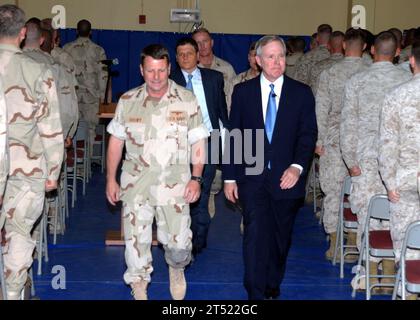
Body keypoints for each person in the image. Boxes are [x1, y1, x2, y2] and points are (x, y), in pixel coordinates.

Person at [105, 44, 209, 300]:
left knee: (178, 242)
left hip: (174, 187)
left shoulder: (186, 100)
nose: (156, 76)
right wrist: (110, 178)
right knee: (135, 240)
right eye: (150, 70)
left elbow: (198, 141)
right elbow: (116, 142)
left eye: (161, 70)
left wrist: (196, 178)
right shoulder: (128, 101)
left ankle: (176, 269)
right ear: (142, 70)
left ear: (169, 69)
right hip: (135, 185)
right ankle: (138, 283)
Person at [223, 35, 317, 300]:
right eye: (271, 56)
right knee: (254, 236)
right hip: (252, 177)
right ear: (258, 60)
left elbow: (308, 135)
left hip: (287, 179)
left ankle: (272, 283)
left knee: (280, 238)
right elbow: (235, 137)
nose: (277, 62)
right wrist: (230, 177)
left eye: (281, 56)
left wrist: (297, 167)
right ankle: (254, 292)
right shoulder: (244, 92)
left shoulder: (302, 93)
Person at [0, 4, 64, 300]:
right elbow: (51, 129)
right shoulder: (38, 70)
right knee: (19, 236)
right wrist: (53, 173)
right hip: (24, 171)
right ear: (23, 33)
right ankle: (13, 294)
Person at [341, 31, 412, 293]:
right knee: (396, 219)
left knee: (368, 218)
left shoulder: (357, 81)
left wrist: (350, 160)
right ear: (397, 53)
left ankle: (370, 276)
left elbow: (347, 126)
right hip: (399, 165)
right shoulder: (407, 80)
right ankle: (391, 274)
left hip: (366, 161)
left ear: (372, 50)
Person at [170, 37, 228, 257]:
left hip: (208, 142)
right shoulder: (168, 80)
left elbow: (222, 112)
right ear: (176, 58)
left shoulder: (214, 78)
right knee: (177, 194)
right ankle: (178, 237)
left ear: (198, 55)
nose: (185, 57)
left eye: (189, 53)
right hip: (176, 145)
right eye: (181, 54)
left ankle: (197, 241)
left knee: (202, 194)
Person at [315, 28, 369, 262]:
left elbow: (321, 110)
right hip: (365, 143)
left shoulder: (330, 73)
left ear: (345, 46)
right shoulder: (369, 73)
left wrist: (319, 140)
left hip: (335, 140)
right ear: (365, 47)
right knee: (362, 193)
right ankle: (355, 243)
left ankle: (335, 245)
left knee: (333, 193)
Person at [379, 41, 420, 300]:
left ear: (411, 62)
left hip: (404, 180)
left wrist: (390, 182)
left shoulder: (396, 95)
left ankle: (409, 294)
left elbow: (387, 144)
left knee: (406, 243)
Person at [192, 28, 235, 219]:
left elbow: (233, 99)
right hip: (195, 128)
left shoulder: (226, 69)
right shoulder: (190, 68)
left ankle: (210, 191)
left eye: (205, 41)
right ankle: (205, 199)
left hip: (218, 127)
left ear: (212, 43)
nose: (202, 46)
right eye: (198, 43)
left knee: (217, 170)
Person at [64, 19, 107, 160]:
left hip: (72, 97)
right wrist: (102, 97)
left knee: (71, 131)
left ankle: (73, 162)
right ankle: (87, 163)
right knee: (90, 130)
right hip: (92, 98)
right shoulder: (98, 51)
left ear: (76, 31)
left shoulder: (66, 49)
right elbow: (103, 75)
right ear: (91, 32)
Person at [309, 31, 344, 95]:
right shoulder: (357, 66)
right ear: (345, 45)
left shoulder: (317, 67)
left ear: (328, 46)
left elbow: (313, 92)